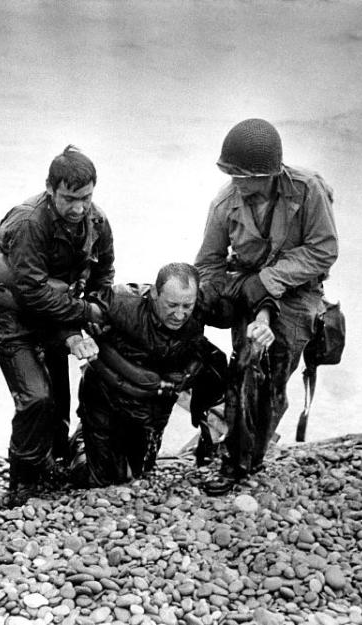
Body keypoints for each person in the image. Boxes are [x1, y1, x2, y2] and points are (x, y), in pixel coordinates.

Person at [195, 119, 338, 483]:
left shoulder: (308, 190)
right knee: (242, 363)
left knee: (270, 370)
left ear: (271, 173)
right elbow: (209, 263)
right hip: (245, 285)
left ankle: (244, 460)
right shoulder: (224, 204)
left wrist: (269, 281)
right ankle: (226, 438)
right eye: (232, 174)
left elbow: (324, 250)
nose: (237, 183)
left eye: (245, 176)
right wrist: (208, 300)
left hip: (297, 291)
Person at [0, 145, 114, 506]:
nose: (78, 208)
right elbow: (31, 295)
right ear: (51, 190)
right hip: (11, 317)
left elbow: (104, 270)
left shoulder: (95, 221)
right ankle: (22, 478)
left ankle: (54, 461)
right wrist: (82, 317)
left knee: (59, 401)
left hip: (58, 311)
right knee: (36, 398)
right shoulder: (27, 224)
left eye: (85, 197)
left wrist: (98, 307)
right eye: (69, 198)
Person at [67, 263, 258, 487]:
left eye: (187, 305)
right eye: (172, 305)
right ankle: (80, 440)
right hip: (106, 398)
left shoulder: (201, 306)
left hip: (153, 402)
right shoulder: (121, 301)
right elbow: (70, 312)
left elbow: (246, 293)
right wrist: (75, 338)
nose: (179, 314)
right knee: (100, 478)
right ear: (155, 293)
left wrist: (262, 318)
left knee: (139, 471)